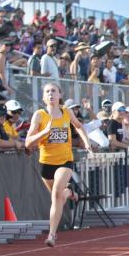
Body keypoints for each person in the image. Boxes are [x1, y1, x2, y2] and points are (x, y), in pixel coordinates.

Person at [24, 82, 94, 247]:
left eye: (53, 91)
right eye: (47, 92)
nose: (50, 94)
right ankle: (70, 192)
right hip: (46, 163)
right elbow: (27, 143)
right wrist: (44, 132)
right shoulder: (39, 115)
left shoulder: (66, 112)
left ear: (59, 95)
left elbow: (79, 127)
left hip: (64, 161)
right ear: (43, 97)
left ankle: (51, 235)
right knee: (60, 197)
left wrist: (87, 145)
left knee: (56, 194)